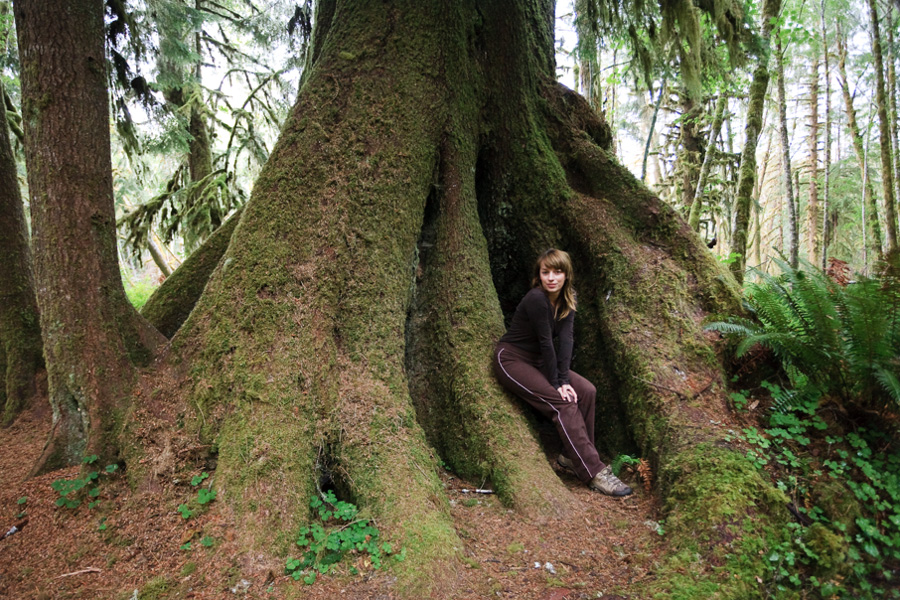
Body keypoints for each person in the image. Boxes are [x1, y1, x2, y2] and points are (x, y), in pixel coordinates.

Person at [493, 249, 632, 497]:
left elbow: (566, 340)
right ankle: (594, 471)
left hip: (540, 361)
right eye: (545, 272)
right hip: (513, 359)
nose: (551, 277)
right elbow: (547, 342)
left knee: (587, 391)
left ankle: (572, 456)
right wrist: (559, 384)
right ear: (539, 275)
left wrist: (565, 379)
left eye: (557, 272)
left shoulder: (569, 299)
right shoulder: (537, 298)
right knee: (563, 402)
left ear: (567, 275)